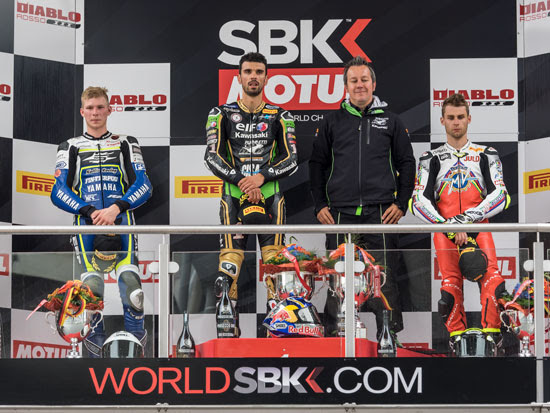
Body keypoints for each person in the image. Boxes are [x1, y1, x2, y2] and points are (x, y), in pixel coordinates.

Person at [309, 56, 415, 338]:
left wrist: (401, 203)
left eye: (364, 80)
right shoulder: (331, 121)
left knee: (384, 278)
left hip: (381, 213)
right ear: (346, 86)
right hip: (339, 213)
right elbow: (316, 165)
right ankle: (335, 336)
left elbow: (407, 163)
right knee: (337, 278)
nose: (359, 85)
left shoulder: (391, 121)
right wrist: (319, 205)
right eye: (353, 80)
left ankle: (388, 338)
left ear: (373, 84)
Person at [51, 86, 152, 357]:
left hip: (122, 221)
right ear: (82, 112)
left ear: (109, 110)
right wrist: (89, 211)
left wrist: (116, 208)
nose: (95, 113)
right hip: (87, 226)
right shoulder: (69, 146)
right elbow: (58, 191)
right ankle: (95, 359)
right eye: (90, 108)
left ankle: (135, 355)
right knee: (91, 292)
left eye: (100, 107)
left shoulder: (126, 142)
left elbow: (144, 185)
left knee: (133, 290)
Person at [204, 52, 298, 328]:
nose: (253, 77)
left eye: (258, 72)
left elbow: (292, 158)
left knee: (275, 264)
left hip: (270, 197)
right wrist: (242, 181)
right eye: (248, 72)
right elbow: (211, 156)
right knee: (229, 263)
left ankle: (278, 328)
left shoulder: (281, 115)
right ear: (239, 77)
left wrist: (260, 178)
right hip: (234, 196)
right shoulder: (220, 113)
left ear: (267, 78)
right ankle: (227, 325)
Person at [410, 93, 509, 350]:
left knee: (493, 281)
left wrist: (466, 220)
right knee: (450, 286)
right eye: (451, 117)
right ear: (442, 120)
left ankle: (491, 339)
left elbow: (501, 195)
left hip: (477, 228)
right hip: (445, 231)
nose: (456, 122)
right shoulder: (430, 158)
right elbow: (418, 201)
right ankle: (457, 339)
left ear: (469, 119)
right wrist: (449, 227)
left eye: (461, 117)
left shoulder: (487, 153)